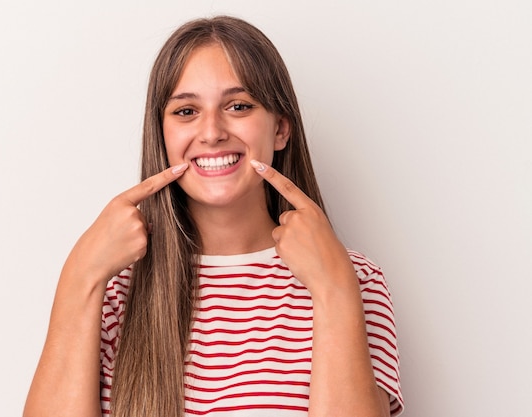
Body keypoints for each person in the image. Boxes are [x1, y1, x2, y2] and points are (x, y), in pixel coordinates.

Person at [23, 15, 403, 417]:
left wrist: (333, 289)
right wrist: (79, 276)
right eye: (186, 111)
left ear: (280, 130)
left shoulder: (354, 280)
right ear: (163, 134)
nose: (211, 132)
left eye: (238, 106)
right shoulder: (113, 294)